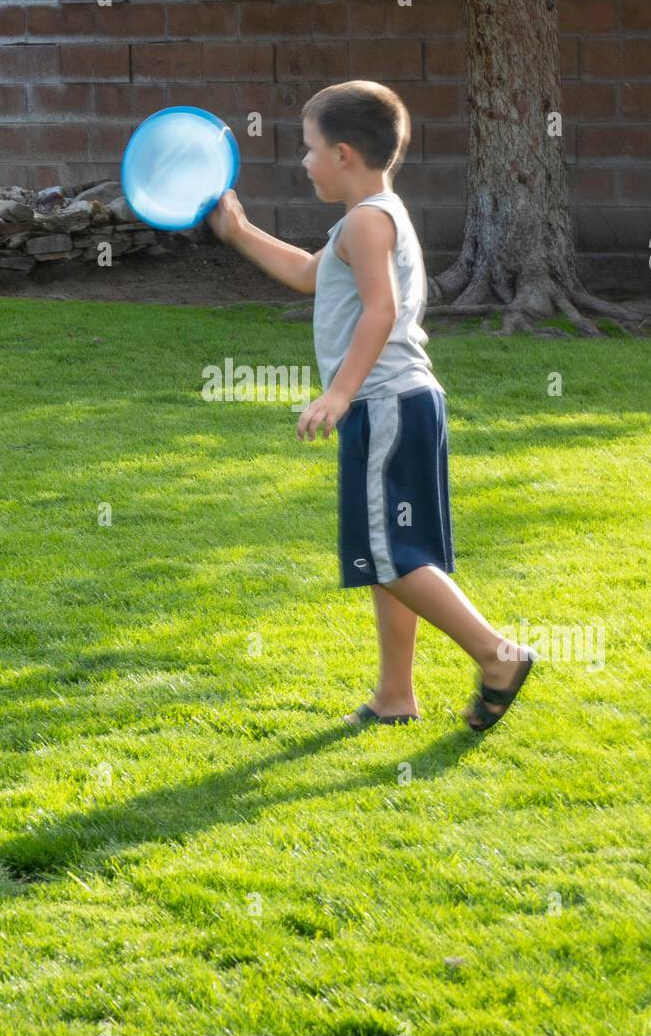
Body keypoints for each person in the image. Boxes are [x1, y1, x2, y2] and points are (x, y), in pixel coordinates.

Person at [207, 79, 535, 732]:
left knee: (392, 556)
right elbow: (308, 273)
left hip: (385, 403)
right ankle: (395, 695)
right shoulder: (371, 216)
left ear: (344, 154)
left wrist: (339, 392)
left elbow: (380, 313)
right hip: (400, 403)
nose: (303, 162)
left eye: (309, 149)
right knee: (391, 556)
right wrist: (240, 231)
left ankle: (499, 657)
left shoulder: (366, 220)